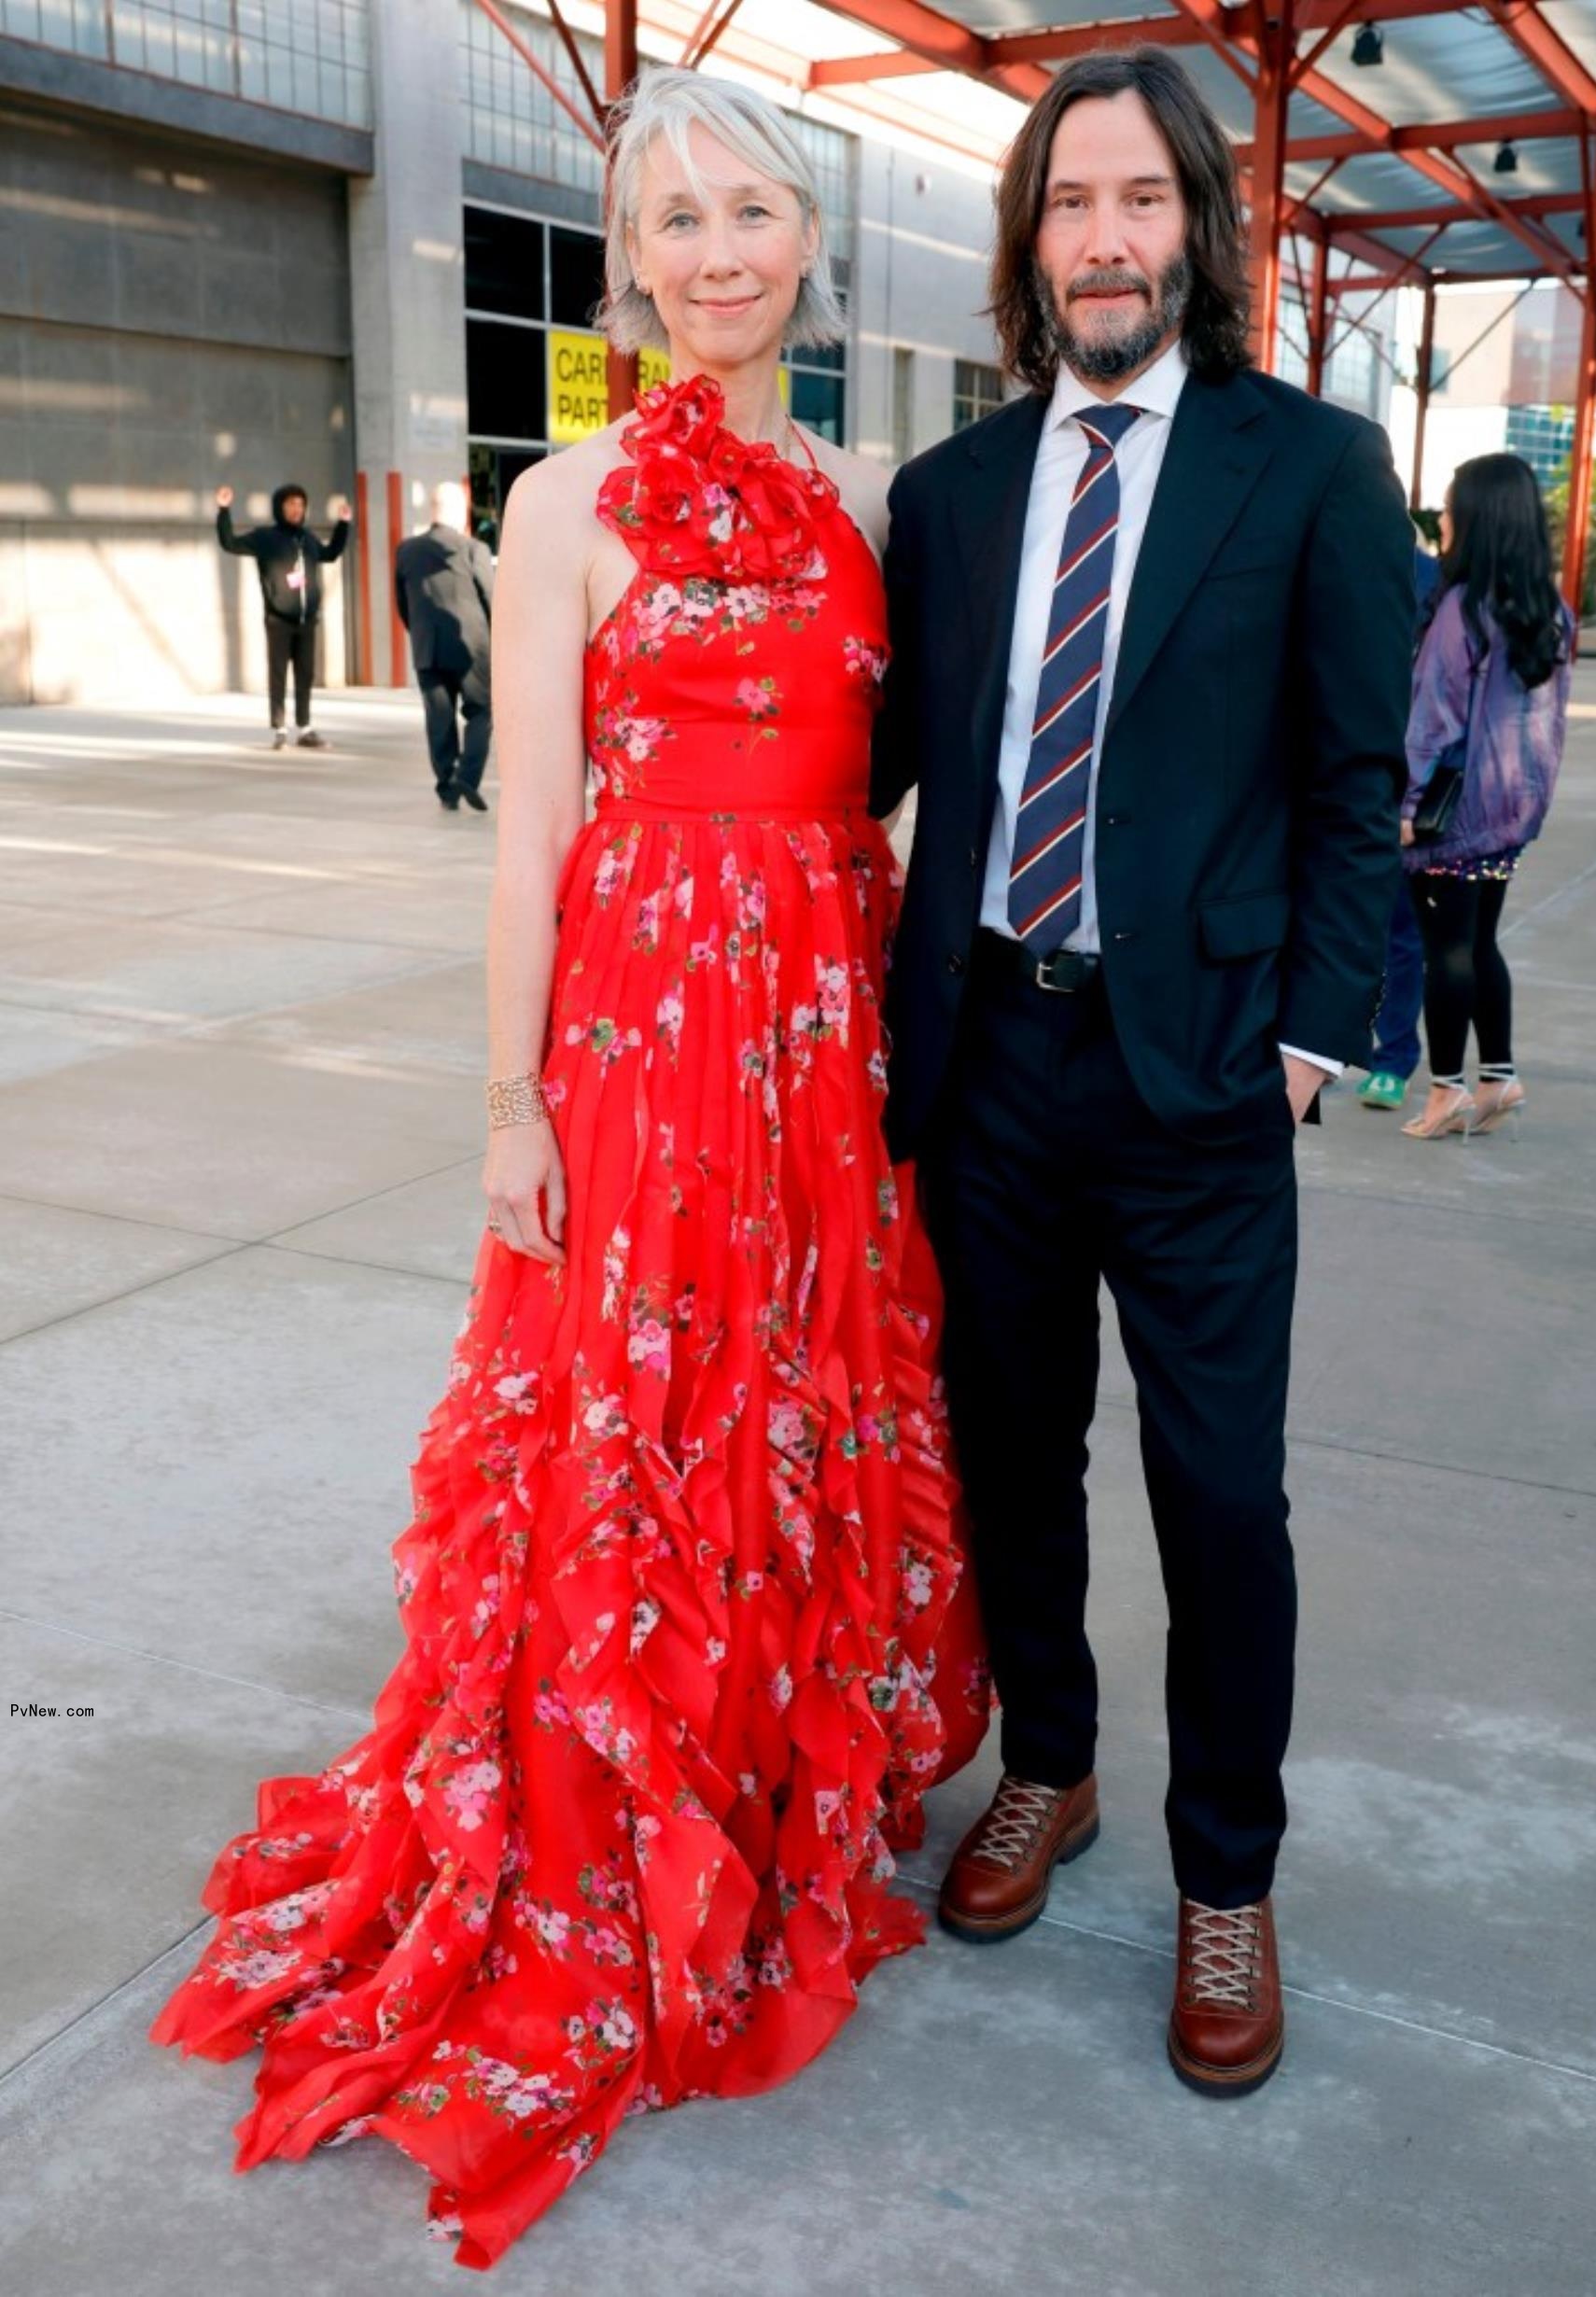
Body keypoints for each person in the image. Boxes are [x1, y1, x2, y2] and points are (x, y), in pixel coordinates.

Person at [153, 68, 987, 2268]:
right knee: (625, 1417)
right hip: (635, 1022)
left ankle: (773, 1776)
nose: (713, 251)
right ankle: (619, 1800)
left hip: (822, 1017)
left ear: (810, 238)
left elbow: (893, 793)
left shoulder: (878, 493)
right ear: (626, 266)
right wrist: (507, 1097)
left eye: (748, 210)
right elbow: (529, 817)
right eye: (672, 221)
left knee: (790, 1397)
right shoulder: (561, 499)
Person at [875, 46, 1410, 2099]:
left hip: (1200, 1081)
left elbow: (1366, 782)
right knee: (1015, 1460)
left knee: (1216, 1495)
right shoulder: (952, 495)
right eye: (1069, 202)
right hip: (989, 1060)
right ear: (1030, 242)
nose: (1103, 237)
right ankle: (1054, 1768)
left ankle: (1227, 1874)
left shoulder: (1311, 473)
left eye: (1140, 200)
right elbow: (876, 763)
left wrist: (1306, 1043)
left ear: (1197, 225)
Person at [1399, 454, 1572, 1141]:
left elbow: (1431, 721)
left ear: (1477, 518)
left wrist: (1408, 808)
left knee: (1448, 950)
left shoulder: (1462, 609)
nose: (1441, 519)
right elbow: (1549, 722)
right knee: (1480, 940)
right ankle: (1498, 1076)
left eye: (1448, 507)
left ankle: (1446, 1093)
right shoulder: (1549, 611)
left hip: (1453, 814)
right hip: (1513, 812)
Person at [1357, 538, 1440, 1113]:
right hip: (1319, 773)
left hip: (1390, 783)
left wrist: (1410, 802)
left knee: (1395, 933)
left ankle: (1392, 1057)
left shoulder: (1429, 579)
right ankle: (1329, 1046)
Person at [215, 482, 351, 749]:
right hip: (278, 620)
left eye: (300, 504)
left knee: (305, 675)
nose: (296, 509)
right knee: (278, 675)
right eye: (290, 504)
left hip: (307, 620)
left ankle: (305, 728)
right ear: (280, 507)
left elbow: (331, 553)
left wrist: (343, 525)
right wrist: (223, 510)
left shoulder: (308, 539)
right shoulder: (266, 538)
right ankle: (279, 728)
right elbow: (230, 543)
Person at [395, 480, 497, 812]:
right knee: (481, 711)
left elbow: (402, 603)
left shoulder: (407, 550)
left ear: (432, 511)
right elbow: (492, 599)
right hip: (472, 649)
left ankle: (446, 787)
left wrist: (419, 632)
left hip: (427, 647)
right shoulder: (473, 549)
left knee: (438, 718)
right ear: (459, 510)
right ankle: (467, 777)